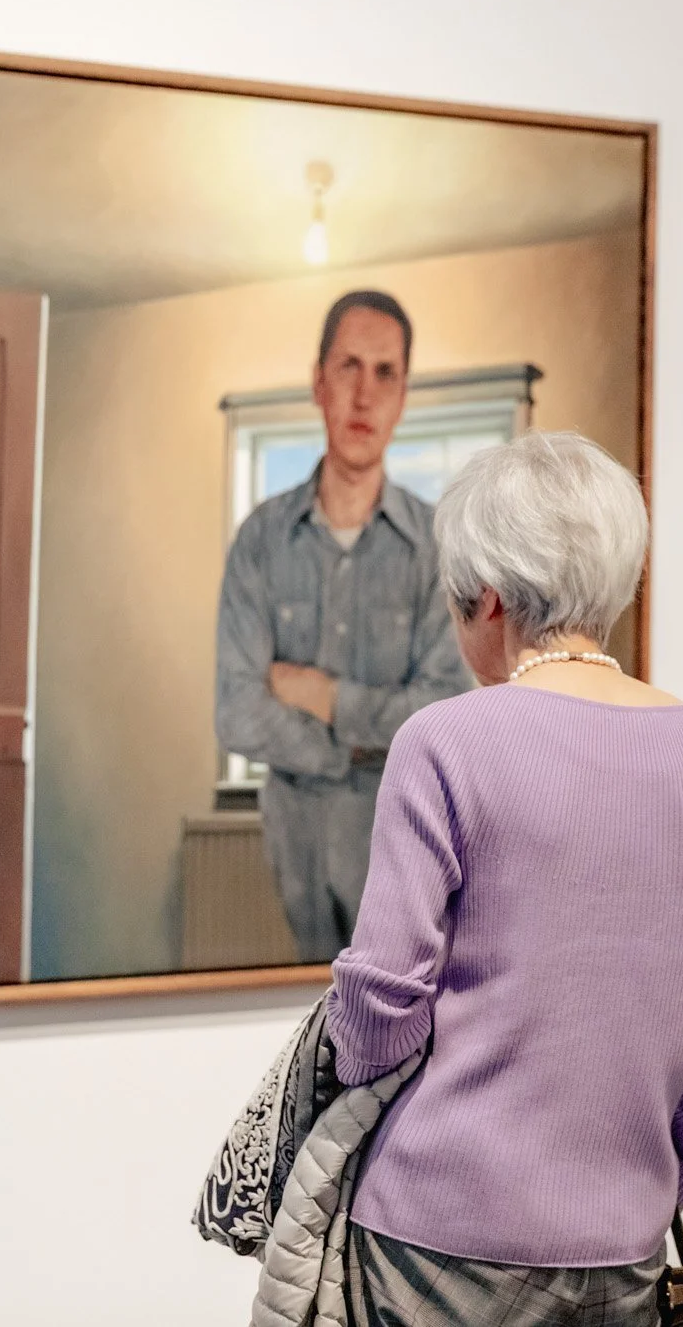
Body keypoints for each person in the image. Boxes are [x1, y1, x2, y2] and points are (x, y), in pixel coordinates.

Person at [325, 431, 683, 1327]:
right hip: (623, 1242)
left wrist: (347, 1055)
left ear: (491, 600)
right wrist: (664, 1165)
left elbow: (382, 1006)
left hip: (438, 1238)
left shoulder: (446, 740)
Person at [214, 290, 470, 962]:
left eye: (385, 373)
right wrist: (359, 751)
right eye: (348, 366)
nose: (364, 395)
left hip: (401, 849)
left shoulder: (438, 548)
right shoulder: (261, 540)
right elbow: (237, 714)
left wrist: (322, 698)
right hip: (288, 859)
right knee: (298, 1042)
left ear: (405, 392)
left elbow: (444, 712)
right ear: (317, 382)